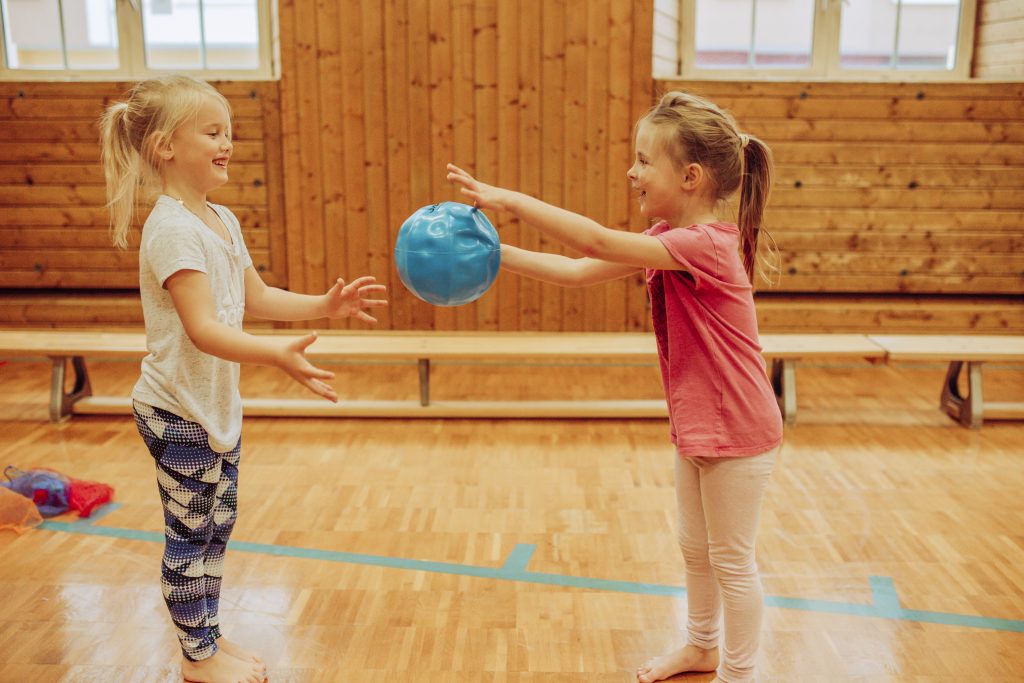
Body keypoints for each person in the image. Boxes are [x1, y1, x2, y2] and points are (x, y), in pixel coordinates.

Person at [447, 90, 783, 683]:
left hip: (738, 429)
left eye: (644, 160)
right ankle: (701, 647)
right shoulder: (668, 237)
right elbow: (578, 271)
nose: (632, 171)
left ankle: (738, 672)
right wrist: (491, 251)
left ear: (691, 177)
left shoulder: (705, 244)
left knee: (732, 562)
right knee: (695, 549)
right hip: (699, 423)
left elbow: (594, 243)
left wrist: (509, 200)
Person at [100, 75, 387, 683]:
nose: (227, 143)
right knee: (189, 536)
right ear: (165, 146)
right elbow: (204, 329)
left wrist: (324, 306)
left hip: (214, 408)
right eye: (212, 132)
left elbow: (255, 296)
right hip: (177, 411)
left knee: (215, 529)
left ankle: (206, 636)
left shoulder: (222, 219)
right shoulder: (172, 229)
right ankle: (195, 658)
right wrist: (274, 355)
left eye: (228, 131)